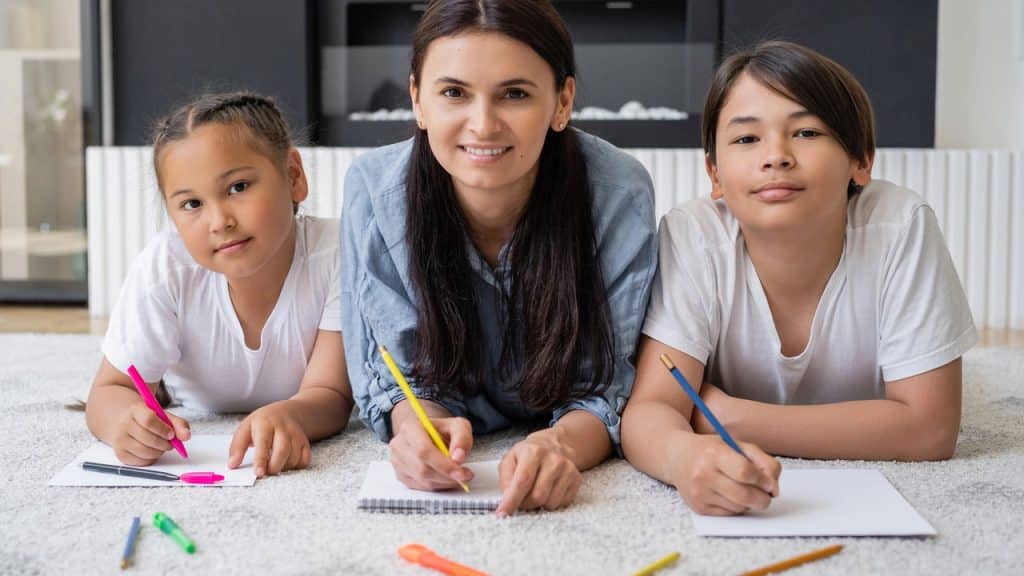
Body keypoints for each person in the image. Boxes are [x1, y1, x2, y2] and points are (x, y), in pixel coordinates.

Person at [622, 41, 978, 516]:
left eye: (807, 131)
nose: (776, 156)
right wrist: (684, 457)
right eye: (747, 139)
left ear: (861, 161)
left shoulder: (900, 225)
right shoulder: (695, 234)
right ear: (715, 174)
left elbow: (932, 430)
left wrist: (731, 417)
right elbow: (649, 411)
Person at [340, 0, 657, 516]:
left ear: (562, 102)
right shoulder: (374, 191)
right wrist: (418, 426)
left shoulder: (618, 192)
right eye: (453, 93)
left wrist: (562, 445)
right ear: (418, 100)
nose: (483, 125)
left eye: (514, 94)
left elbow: (606, 385)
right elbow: (400, 377)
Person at [86, 92, 353, 478]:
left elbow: (332, 396)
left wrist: (290, 414)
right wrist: (123, 423)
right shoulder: (165, 268)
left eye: (238, 187)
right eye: (192, 204)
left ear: (293, 176)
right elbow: (107, 391)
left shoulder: (337, 253)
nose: (219, 221)